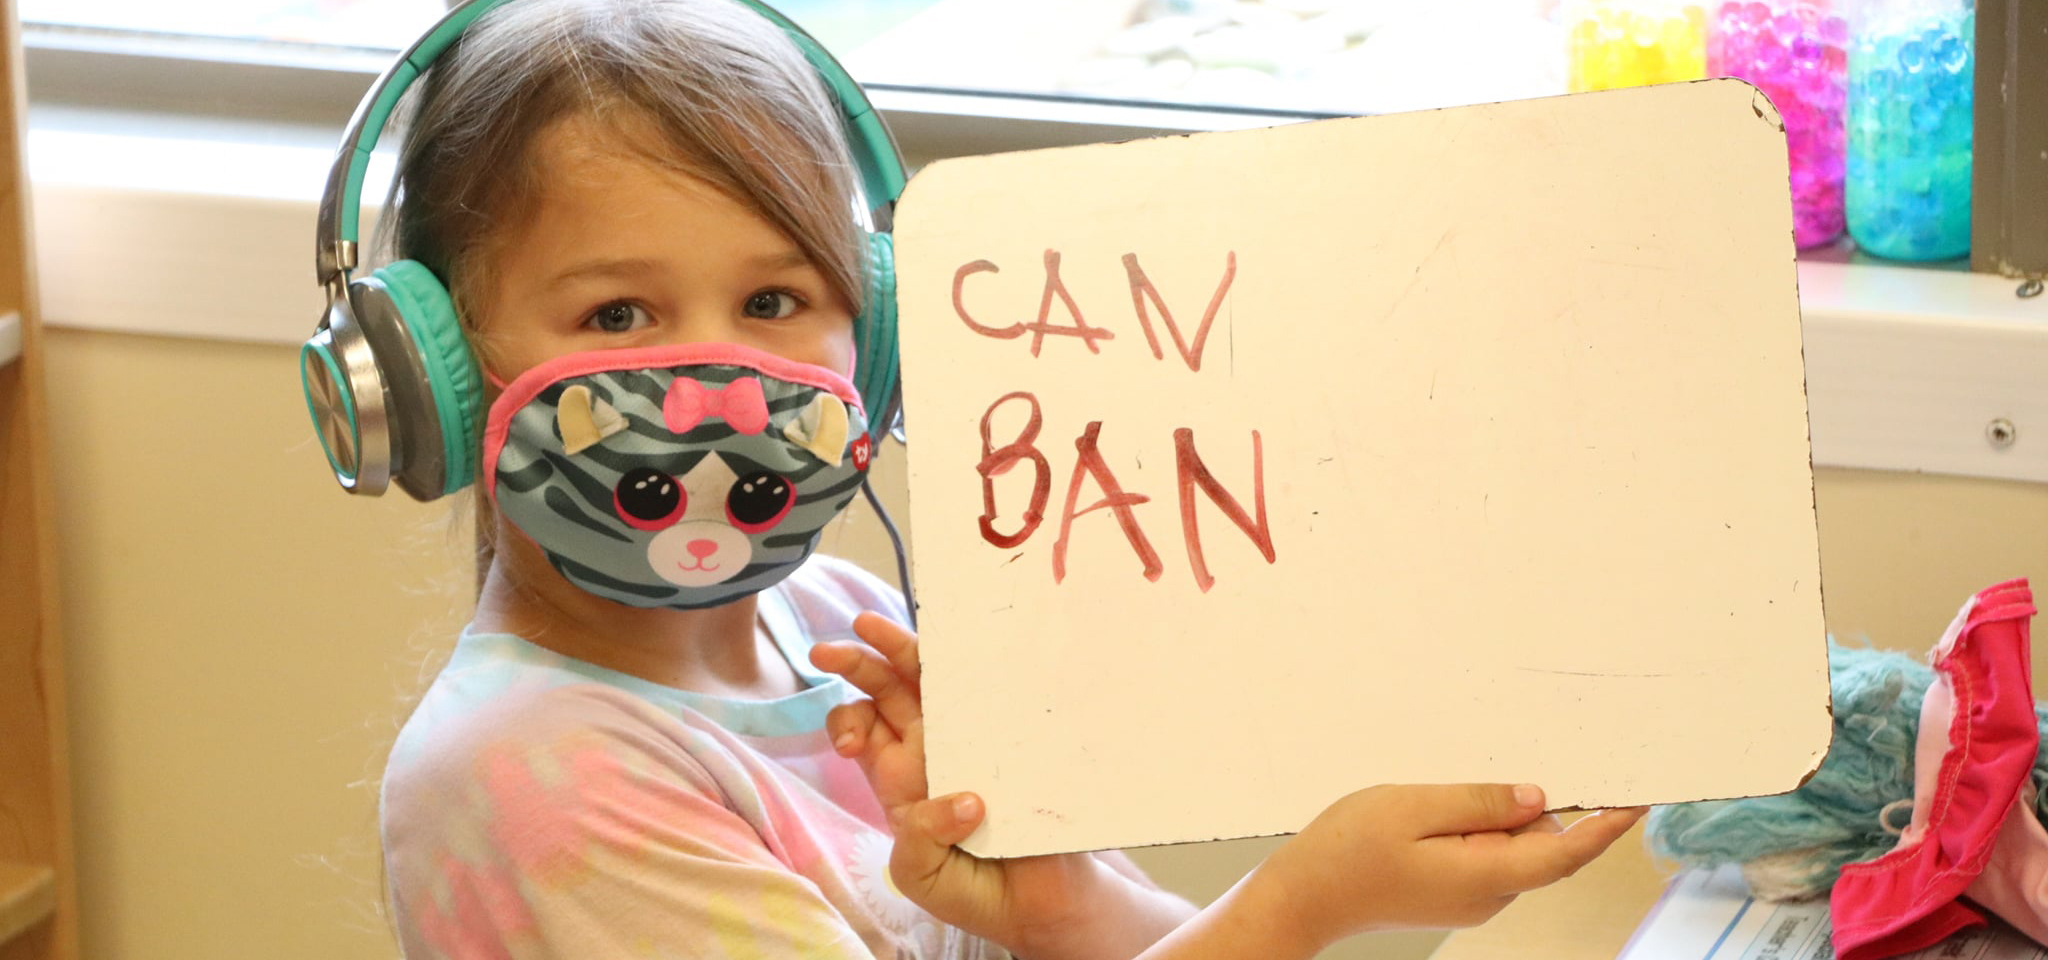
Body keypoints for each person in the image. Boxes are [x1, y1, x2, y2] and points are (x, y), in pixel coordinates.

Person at [347, 1, 1648, 957]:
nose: (718, 385)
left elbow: (1115, 939)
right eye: (620, 315)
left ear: (879, 334)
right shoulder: (522, 782)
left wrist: (1055, 898)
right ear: (437, 369)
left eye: (773, 297)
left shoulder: (842, 629)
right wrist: (1311, 901)